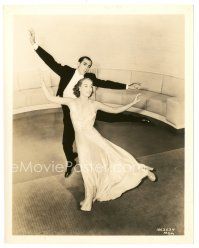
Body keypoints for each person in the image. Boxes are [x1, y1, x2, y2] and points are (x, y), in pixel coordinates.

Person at [28, 29, 142, 178]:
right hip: (70, 107)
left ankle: (137, 119)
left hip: (86, 106)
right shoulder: (66, 71)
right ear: (78, 63)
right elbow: (50, 61)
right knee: (67, 140)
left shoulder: (89, 77)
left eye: (89, 66)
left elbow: (106, 83)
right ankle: (71, 161)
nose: (87, 67)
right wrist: (34, 45)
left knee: (112, 116)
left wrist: (127, 86)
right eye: (85, 64)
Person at [41, 77, 156, 212]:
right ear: (78, 87)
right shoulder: (71, 102)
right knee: (88, 169)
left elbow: (115, 111)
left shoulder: (95, 104)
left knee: (115, 155)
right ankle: (89, 198)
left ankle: (142, 170)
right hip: (82, 141)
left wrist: (132, 103)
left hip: (94, 137)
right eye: (86, 86)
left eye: (91, 86)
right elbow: (50, 97)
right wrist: (42, 82)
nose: (89, 89)